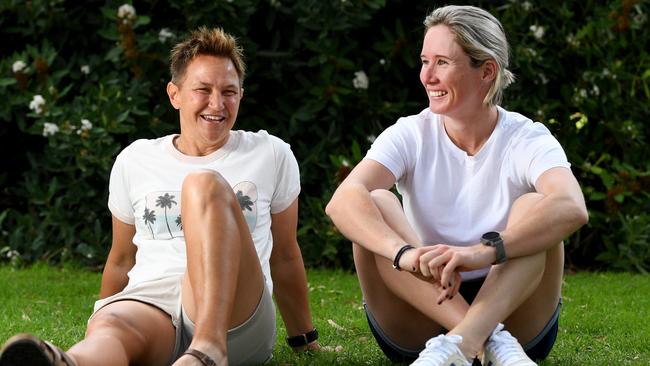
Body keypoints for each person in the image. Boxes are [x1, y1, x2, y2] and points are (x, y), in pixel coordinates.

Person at [0, 27, 319, 366]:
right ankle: (70, 362)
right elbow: (122, 258)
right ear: (175, 94)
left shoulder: (269, 153)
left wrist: (305, 341)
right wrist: (106, 315)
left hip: (236, 315)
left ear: (241, 94)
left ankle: (209, 349)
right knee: (113, 328)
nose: (217, 103)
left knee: (204, 184)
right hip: (154, 304)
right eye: (203, 90)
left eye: (229, 91)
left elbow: (284, 254)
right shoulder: (135, 160)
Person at [326, 5, 588, 366]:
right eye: (424, 61)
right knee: (376, 201)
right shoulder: (411, 133)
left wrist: (483, 253)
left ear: (487, 71)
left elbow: (571, 206)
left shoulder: (526, 137)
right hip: (423, 300)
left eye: (442, 63)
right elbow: (341, 202)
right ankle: (485, 338)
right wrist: (406, 255)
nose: (426, 76)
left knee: (535, 207)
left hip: (516, 303)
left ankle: (464, 342)